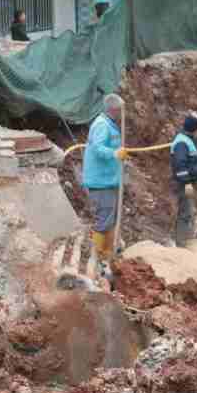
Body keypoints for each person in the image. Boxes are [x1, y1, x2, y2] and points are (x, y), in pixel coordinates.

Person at [82, 94, 126, 283]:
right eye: (122, 110)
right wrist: (115, 153)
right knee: (104, 218)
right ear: (114, 110)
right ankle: (98, 258)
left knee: (110, 217)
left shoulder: (111, 124)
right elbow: (98, 149)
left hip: (110, 179)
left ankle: (107, 254)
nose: (124, 114)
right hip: (101, 182)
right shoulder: (101, 125)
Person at [169, 115, 197, 248]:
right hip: (184, 183)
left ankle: (188, 237)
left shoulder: (188, 139)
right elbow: (180, 165)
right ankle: (182, 242)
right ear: (193, 129)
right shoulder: (181, 143)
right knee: (185, 211)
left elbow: (191, 157)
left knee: (189, 210)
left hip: (189, 181)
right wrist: (187, 183)